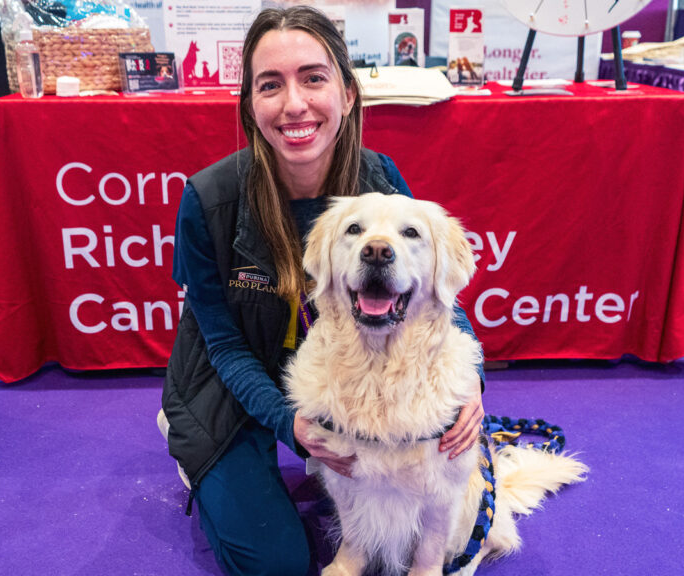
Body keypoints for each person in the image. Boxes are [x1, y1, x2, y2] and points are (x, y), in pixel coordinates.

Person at [159, 6, 486, 575]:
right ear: (249, 106)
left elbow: (432, 291)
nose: (294, 104)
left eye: (313, 77)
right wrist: (292, 425)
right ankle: (200, 454)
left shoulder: (379, 180)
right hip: (230, 384)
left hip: (333, 370)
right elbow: (224, 345)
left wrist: (471, 386)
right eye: (270, 85)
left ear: (347, 93)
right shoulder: (208, 199)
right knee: (277, 564)